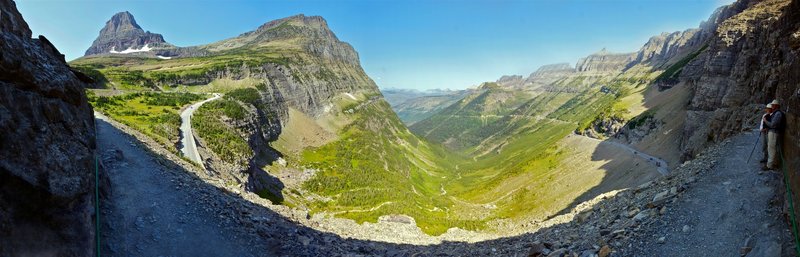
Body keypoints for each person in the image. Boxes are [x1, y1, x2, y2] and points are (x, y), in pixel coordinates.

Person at [763, 99, 785, 170]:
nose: (772, 106)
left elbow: (772, 125)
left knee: (771, 149)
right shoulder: (776, 113)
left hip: (773, 132)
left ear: (776, 106)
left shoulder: (778, 114)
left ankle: (769, 165)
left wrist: (765, 121)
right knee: (772, 148)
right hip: (773, 132)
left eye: (773, 105)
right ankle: (774, 163)